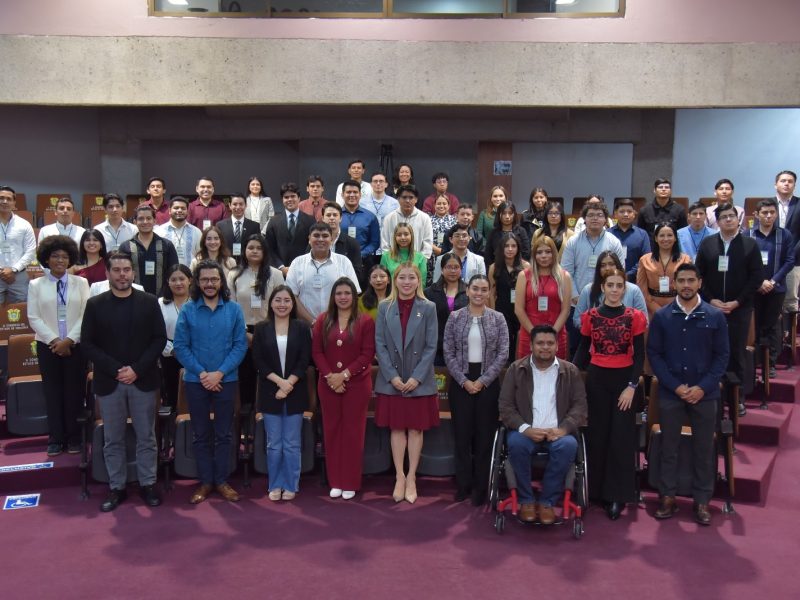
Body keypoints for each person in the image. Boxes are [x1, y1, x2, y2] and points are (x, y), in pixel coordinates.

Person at [81, 251, 167, 512]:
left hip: (142, 380)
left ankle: (147, 483)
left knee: (146, 437)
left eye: (126, 270)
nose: (122, 275)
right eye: (116, 270)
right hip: (110, 382)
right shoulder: (95, 304)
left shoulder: (149, 302)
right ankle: (116, 487)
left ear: (133, 272)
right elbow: (87, 344)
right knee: (113, 439)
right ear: (107, 274)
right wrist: (117, 369)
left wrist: (136, 370)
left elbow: (159, 339)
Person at [648, 264, 730, 526]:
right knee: (668, 447)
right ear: (674, 283)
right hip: (672, 392)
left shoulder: (715, 316)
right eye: (681, 280)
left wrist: (702, 388)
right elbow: (655, 355)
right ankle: (667, 497)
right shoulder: (662, 317)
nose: (685, 285)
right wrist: (676, 386)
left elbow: (722, 357)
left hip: (703, 395)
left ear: (699, 283)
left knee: (704, 449)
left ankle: (702, 500)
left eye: (690, 280)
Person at [574, 269, 646, 520]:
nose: (615, 289)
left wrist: (631, 386)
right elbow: (582, 350)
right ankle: (594, 491)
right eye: (610, 285)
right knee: (597, 435)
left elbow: (639, 357)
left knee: (620, 438)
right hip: (597, 379)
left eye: (619, 285)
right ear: (602, 288)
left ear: (624, 289)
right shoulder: (591, 316)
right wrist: (571, 376)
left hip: (624, 383)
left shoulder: (634, 316)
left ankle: (616, 495)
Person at [174, 259, 248, 505]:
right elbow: (181, 347)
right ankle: (206, 482)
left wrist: (220, 373)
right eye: (204, 279)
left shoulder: (234, 309)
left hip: (227, 380)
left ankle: (222, 480)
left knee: (225, 433)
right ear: (197, 282)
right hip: (196, 381)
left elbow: (240, 346)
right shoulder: (188, 310)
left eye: (214, 279)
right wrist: (204, 374)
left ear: (221, 281)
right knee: (201, 434)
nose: (209, 283)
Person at [499, 325, 588, 525]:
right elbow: (505, 406)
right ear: (531, 345)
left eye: (550, 343)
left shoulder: (570, 371)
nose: (545, 347)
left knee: (569, 446)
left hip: (558, 432)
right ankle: (527, 500)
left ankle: (547, 501)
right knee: (516, 444)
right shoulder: (516, 369)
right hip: (525, 432)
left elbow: (580, 407)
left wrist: (563, 429)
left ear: (557, 346)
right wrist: (525, 429)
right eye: (540, 343)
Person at [374, 263, 439, 504]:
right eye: (402, 277)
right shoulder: (384, 307)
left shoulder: (429, 307)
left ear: (419, 281)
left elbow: (432, 345)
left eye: (412, 277)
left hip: (417, 380)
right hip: (393, 379)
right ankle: (399, 477)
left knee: (415, 429)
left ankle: (412, 476)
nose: (407, 281)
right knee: (397, 428)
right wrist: (392, 376)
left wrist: (416, 378)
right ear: (395, 279)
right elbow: (379, 344)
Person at [443, 274, 509, 505]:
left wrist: (482, 381)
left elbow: (503, 354)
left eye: (483, 289)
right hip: (461, 383)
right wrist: (464, 380)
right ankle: (463, 485)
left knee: (484, 438)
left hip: (488, 384)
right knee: (462, 437)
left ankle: (482, 487)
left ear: (489, 293)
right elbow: (448, 352)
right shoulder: (455, 317)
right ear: (468, 291)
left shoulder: (498, 318)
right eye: (475, 289)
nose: (479, 293)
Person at [695, 202, 763, 417]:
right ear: (717, 221)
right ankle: (711, 395)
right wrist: (710, 299)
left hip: (739, 309)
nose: (728, 220)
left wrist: (738, 302)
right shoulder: (707, 244)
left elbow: (756, 278)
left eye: (731, 216)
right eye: (723, 217)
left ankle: (737, 397)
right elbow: (698, 276)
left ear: (738, 219)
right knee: (709, 351)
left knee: (735, 353)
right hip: (711, 308)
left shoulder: (750, 244)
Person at [312, 277, 376, 500]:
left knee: (353, 432)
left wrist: (344, 375)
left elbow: (367, 354)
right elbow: (317, 352)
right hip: (328, 385)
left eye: (347, 293)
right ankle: (336, 481)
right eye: (338, 293)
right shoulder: (323, 320)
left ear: (354, 296)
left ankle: (350, 481)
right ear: (333, 296)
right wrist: (331, 377)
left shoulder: (365, 321)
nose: (343, 297)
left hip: (356, 385)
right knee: (332, 431)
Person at [28, 235, 90, 456]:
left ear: (70, 258)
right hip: (48, 346)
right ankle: (55, 438)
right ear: (46, 258)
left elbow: (86, 315)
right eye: (55, 256)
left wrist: (69, 340)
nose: (60, 260)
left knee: (74, 392)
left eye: (64, 256)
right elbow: (33, 317)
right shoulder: (36, 284)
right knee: (52, 393)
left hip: (75, 345)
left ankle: (74, 438)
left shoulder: (81, 283)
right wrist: (55, 340)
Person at [252, 285, 312, 501]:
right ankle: (275, 483)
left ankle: (291, 484)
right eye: (278, 300)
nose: (282, 304)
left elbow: (304, 360)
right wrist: (280, 383)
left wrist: (289, 383)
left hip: (295, 392)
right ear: (271, 303)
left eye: (287, 300)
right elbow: (258, 361)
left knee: (292, 443)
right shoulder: (261, 328)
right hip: (270, 391)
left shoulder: (302, 328)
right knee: (274, 444)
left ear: (292, 304)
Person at [561, 201, 625, 357]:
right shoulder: (574, 242)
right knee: (577, 349)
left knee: (604, 349)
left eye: (599, 215)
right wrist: (576, 296)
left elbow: (619, 271)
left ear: (606, 219)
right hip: (577, 305)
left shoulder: (613, 241)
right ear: (584, 219)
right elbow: (565, 272)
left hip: (607, 304)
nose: (595, 218)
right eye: (590, 215)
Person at [228, 234, 285, 410]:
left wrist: (268, 332)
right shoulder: (234, 274)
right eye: (251, 247)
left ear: (265, 251)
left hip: (270, 329)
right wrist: (244, 333)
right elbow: (230, 307)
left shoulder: (275, 274)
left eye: (259, 248)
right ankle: (246, 415)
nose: (254, 251)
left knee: (269, 372)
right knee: (246, 374)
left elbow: (282, 304)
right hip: (241, 331)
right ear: (244, 250)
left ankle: (267, 410)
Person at [750, 198, 794, 380]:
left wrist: (773, 281)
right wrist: (760, 282)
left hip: (776, 289)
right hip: (754, 289)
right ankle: (756, 362)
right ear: (756, 215)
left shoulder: (785, 235)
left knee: (772, 326)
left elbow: (789, 261)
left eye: (772, 213)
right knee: (756, 325)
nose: (769, 216)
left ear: (776, 214)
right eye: (765, 213)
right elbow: (744, 262)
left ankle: (771, 363)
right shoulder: (748, 235)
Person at [286, 222, 360, 324]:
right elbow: (291, 296)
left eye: (325, 236)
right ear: (309, 239)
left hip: (337, 325)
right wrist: (312, 322)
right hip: (305, 326)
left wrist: (338, 322)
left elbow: (353, 293)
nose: (320, 239)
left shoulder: (344, 261)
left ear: (331, 239)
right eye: (316, 235)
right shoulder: (297, 263)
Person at [515, 236, 572, 360]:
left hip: (556, 336)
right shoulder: (524, 276)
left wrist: (551, 335)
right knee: (527, 376)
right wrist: (535, 335)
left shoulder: (564, 276)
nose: (544, 256)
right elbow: (518, 310)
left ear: (554, 254)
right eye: (539, 252)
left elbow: (566, 310)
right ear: (534, 255)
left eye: (548, 251)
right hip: (529, 335)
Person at [572, 250, 649, 329]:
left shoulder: (634, 290)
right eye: (603, 265)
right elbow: (577, 319)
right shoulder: (588, 290)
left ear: (618, 266)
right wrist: (597, 328)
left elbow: (644, 320)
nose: (607, 268)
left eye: (611, 264)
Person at [636, 222, 692, 320]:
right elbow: (642, 288)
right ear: (656, 238)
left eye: (670, 235)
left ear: (675, 238)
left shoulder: (685, 260)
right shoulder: (644, 260)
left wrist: (676, 307)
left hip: (678, 308)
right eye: (662, 235)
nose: (666, 239)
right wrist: (656, 309)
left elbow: (688, 286)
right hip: (651, 309)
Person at [488, 231, 529, 362]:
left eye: (513, 246)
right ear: (502, 248)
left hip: (521, 310)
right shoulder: (494, 267)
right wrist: (494, 315)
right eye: (507, 246)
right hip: (502, 309)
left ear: (518, 248)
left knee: (519, 343)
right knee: (504, 344)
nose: (510, 249)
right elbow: (491, 293)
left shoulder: (526, 266)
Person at [119, 205, 179, 296]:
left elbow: (174, 272)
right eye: (141, 219)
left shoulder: (167, 245)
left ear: (154, 221)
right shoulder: (126, 247)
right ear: (135, 222)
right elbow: (121, 273)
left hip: (162, 299)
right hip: (133, 298)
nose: (145, 222)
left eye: (148, 218)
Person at [424, 253, 468, 366]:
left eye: (456, 267)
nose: (453, 271)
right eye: (449, 267)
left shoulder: (469, 291)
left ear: (461, 269)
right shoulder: (429, 292)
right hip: (437, 348)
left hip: (462, 348)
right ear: (442, 269)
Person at [265, 182, 316, 277]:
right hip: (279, 273)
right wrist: (281, 267)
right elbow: (269, 248)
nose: (290, 200)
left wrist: (300, 266)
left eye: (293, 196)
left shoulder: (310, 221)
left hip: (304, 271)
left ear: (299, 198)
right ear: (282, 199)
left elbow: (312, 246)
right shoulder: (273, 221)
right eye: (286, 197)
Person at [158, 264, 191, 410]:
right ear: (168, 282)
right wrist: (172, 350)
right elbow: (156, 333)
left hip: (194, 352)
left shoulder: (198, 302)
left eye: (182, 279)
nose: (178, 283)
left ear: (190, 280)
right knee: (171, 394)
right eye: (174, 279)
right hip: (169, 354)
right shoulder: (160, 303)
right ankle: (172, 429)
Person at [0, 186, 36, 303]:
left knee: (20, 314)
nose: (5, 201)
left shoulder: (24, 224)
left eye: (9, 199)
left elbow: (30, 251)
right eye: (1, 198)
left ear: (14, 203)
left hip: (18, 277)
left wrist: (14, 270)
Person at [380, 184, 433, 261]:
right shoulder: (389, 218)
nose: (407, 201)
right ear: (398, 199)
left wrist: (420, 262)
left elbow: (427, 244)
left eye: (411, 197)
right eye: (404, 197)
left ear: (416, 199)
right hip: (394, 264)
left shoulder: (425, 218)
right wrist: (392, 263)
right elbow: (385, 244)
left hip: (417, 264)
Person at [774, 170, 800, 318]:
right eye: (783, 181)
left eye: (790, 181)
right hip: (771, 260)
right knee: (772, 299)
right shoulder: (767, 205)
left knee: (791, 299)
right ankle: (773, 337)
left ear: (794, 185)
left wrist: (791, 252)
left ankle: (789, 338)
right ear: (775, 184)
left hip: (795, 260)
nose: (786, 184)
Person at [324, 199, 366, 284]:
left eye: (335, 215)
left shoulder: (352, 243)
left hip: (343, 288)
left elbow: (357, 273)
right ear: (322, 218)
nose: (332, 218)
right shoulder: (317, 242)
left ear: (340, 218)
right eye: (328, 215)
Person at [609, 198, 651, 283]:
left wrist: (629, 274)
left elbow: (646, 258)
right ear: (615, 214)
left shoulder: (642, 234)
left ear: (634, 214)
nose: (625, 214)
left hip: (636, 280)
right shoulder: (607, 234)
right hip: (611, 279)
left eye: (629, 211)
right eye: (622, 211)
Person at [154, 196, 201, 267]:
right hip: (167, 275)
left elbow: (200, 256)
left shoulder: (196, 232)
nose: (179, 210)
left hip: (191, 275)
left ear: (187, 211)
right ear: (169, 211)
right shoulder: (159, 231)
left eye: (183, 208)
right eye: (176, 208)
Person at [483, 201, 531, 266]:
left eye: (510, 213)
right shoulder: (493, 233)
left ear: (514, 214)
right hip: (498, 269)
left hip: (518, 269)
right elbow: (488, 255)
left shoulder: (521, 231)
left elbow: (526, 252)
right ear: (499, 214)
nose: (507, 216)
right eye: (504, 213)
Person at [381, 222, 428, 288]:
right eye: (399, 235)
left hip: (414, 296)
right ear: (395, 237)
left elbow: (422, 283)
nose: (403, 237)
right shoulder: (386, 256)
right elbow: (383, 280)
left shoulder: (420, 257)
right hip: (391, 296)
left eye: (406, 234)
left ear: (411, 236)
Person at [217, 194, 261, 260]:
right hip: (227, 262)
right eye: (235, 204)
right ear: (230, 206)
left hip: (247, 263)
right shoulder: (220, 225)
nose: (238, 207)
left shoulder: (254, 226)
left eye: (241, 204)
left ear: (246, 206)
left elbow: (257, 247)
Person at [429, 195, 457, 278]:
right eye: (439, 204)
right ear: (434, 205)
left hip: (450, 254)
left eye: (444, 203)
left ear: (448, 206)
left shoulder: (454, 220)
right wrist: (435, 248)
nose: (441, 206)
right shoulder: (428, 220)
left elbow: (456, 238)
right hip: (431, 255)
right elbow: (424, 238)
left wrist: (444, 251)